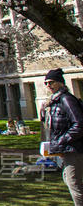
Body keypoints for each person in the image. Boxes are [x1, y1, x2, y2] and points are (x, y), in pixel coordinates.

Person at [43, 68, 83, 205]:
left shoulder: (66, 99)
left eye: (51, 82)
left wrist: (62, 141)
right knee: (68, 179)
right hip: (65, 149)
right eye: (46, 83)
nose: (48, 85)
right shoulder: (54, 101)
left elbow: (79, 124)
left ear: (60, 83)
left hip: (73, 149)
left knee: (74, 183)